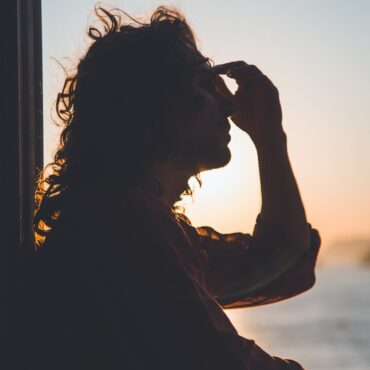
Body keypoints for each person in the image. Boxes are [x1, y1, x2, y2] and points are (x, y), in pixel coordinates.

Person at [32, 5, 321, 370]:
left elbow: (283, 264)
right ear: (156, 99)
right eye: (207, 83)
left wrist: (269, 136)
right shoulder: (123, 222)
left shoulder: (133, 219)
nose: (229, 104)